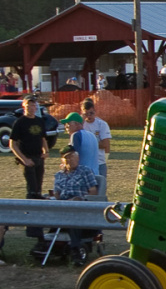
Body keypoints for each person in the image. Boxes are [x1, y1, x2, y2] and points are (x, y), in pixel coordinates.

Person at [52, 146, 100, 266]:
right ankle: (41, 243)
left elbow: (93, 192)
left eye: (72, 157)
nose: (70, 160)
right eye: (67, 158)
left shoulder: (85, 171)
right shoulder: (59, 175)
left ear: (78, 158)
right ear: (62, 161)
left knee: (73, 217)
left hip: (79, 208)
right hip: (62, 207)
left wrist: (80, 200)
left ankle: (75, 251)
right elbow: (56, 193)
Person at [10, 95, 48, 242]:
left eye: (34, 105)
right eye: (29, 105)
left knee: (39, 189)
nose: (32, 108)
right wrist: (24, 160)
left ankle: (39, 219)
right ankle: (31, 224)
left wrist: (46, 151)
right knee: (31, 190)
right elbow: (12, 144)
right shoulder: (20, 123)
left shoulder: (39, 121)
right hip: (27, 159)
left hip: (39, 159)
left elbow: (43, 138)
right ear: (24, 106)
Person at [81, 99, 112, 180]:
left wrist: (87, 143)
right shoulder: (81, 125)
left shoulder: (102, 124)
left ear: (95, 111)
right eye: (86, 114)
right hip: (85, 162)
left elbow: (105, 144)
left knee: (100, 187)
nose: (89, 116)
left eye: (91, 113)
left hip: (99, 162)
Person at [62, 112, 99, 177]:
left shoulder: (76, 135)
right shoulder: (92, 135)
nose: (66, 126)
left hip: (83, 176)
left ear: (77, 124)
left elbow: (73, 158)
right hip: (95, 174)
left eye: (68, 123)